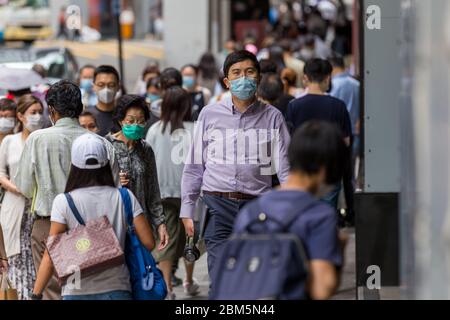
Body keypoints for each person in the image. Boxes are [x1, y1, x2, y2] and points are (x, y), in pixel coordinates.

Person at [180, 50, 291, 296]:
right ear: (227, 81)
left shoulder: (273, 117)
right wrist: (187, 210)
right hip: (216, 205)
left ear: (258, 78)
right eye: (237, 73)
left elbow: (285, 168)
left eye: (249, 72)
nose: (244, 78)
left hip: (257, 208)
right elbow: (194, 166)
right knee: (220, 278)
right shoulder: (209, 114)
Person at [14, 80, 120, 300]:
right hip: (94, 226)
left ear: (51, 110)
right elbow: (115, 188)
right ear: (79, 108)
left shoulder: (37, 139)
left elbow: (24, 188)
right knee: (89, 289)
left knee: (52, 290)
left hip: (48, 223)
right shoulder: (101, 143)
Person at [31, 133, 155, 300]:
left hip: (76, 289)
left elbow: (49, 255)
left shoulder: (64, 201)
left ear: (73, 163)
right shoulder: (124, 197)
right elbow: (148, 242)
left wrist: (36, 295)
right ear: (106, 163)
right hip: (117, 287)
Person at [234, 121, 346, 300]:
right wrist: (340, 250)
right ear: (326, 170)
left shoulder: (251, 211)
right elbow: (322, 289)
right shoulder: (319, 215)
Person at [146, 86, 199, 300]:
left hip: (163, 192)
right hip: (191, 195)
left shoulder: (155, 129)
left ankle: (167, 288)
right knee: (190, 238)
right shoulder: (195, 129)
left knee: (165, 241)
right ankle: (188, 281)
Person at [106, 95, 169, 254]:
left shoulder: (145, 149)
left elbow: (153, 190)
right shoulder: (106, 146)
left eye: (141, 121)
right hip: (113, 223)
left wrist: (160, 224)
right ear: (121, 121)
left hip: (141, 224)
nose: (136, 125)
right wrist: (114, 180)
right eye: (131, 120)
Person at [286, 59, 352, 210]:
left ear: (305, 78)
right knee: (326, 213)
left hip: (301, 170)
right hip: (328, 168)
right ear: (328, 78)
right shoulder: (338, 105)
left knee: (301, 211)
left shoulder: (293, 106)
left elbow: (288, 139)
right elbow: (346, 141)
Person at [0, 95, 44, 300]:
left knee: (38, 261)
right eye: (32, 112)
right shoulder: (10, 141)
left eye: (40, 112)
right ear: (20, 116)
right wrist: (17, 188)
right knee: (15, 261)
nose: (37, 117)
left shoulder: (44, 139)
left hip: (39, 210)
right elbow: (0, 173)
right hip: (14, 208)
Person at [329, 55, 360, 226]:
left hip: (336, 136)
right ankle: (352, 210)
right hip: (354, 134)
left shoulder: (334, 86)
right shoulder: (357, 84)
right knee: (350, 175)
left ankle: (338, 213)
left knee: (335, 176)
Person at [87, 65, 122, 137]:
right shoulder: (86, 116)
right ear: (93, 86)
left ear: (118, 87)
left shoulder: (124, 116)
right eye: (101, 85)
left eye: (111, 85)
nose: (106, 90)